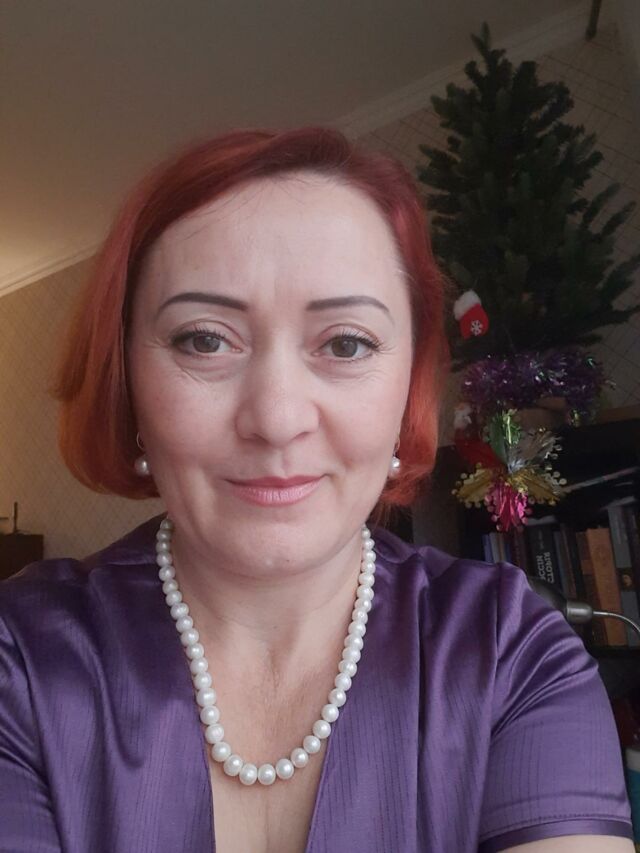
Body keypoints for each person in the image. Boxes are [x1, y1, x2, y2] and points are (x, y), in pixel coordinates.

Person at [0, 126, 634, 853]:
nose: (276, 418)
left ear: (408, 385)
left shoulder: (511, 654)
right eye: (204, 339)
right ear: (128, 384)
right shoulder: (22, 658)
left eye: (346, 343)